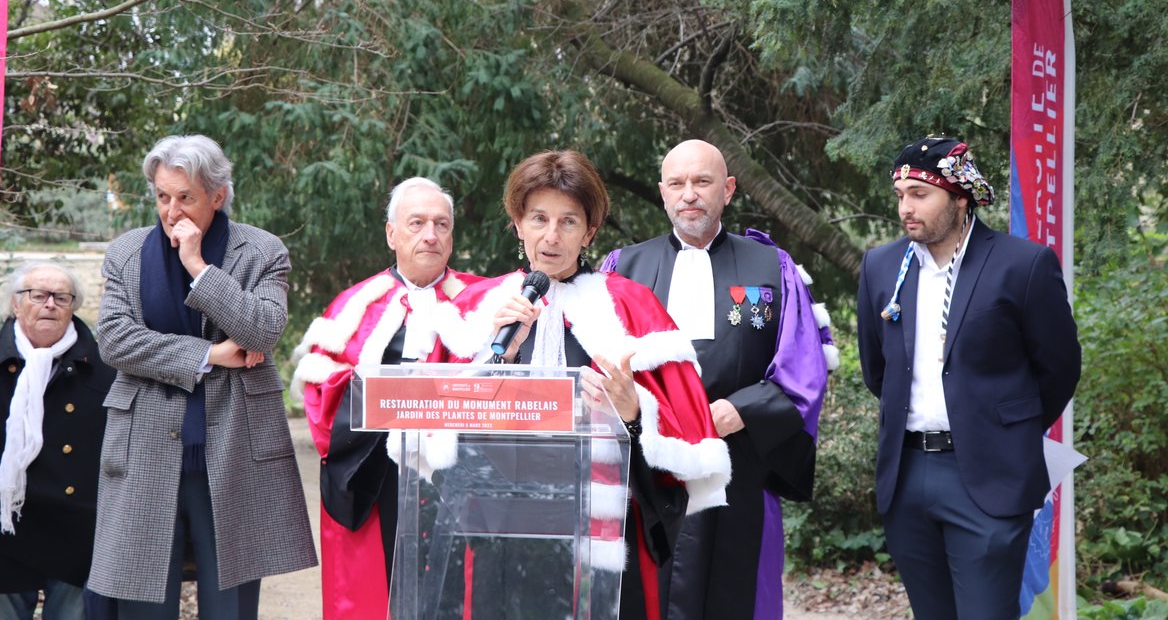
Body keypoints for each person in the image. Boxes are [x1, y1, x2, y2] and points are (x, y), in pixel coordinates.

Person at [428, 149, 732, 620]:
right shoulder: (477, 309)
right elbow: (435, 432)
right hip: (497, 532)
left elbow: (681, 442)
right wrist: (497, 358)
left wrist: (634, 413)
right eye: (539, 219)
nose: (551, 237)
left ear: (589, 232)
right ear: (517, 223)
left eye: (568, 222)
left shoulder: (631, 308)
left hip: (601, 535)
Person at [601, 139, 833, 620]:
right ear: (663, 193)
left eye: (702, 182)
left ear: (727, 190)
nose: (690, 194)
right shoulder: (623, 269)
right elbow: (600, 364)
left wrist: (742, 410)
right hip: (650, 469)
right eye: (678, 184)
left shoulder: (771, 267)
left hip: (740, 462)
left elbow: (802, 366)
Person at [86, 134, 317, 619]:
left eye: (185, 197)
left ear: (217, 195)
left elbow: (262, 330)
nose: (172, 211)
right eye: (162, 196)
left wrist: (198, 266)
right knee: (141, 602)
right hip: (143, 449)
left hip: (235, 453)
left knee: (229, 607)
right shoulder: (126, 253)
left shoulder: (262, 251)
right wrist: (210, 354)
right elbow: (114, 340)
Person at [857, 135, 1081, 620]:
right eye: (900, 196)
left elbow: (1060, 368)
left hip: (989, 477)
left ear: (959, 197)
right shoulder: (880, 266)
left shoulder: (1022, 265)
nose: (905, 209)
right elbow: (878, 370)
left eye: (920, 194)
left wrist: (1004, 429)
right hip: (907, 476)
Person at [291, 176, 482, 620]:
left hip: (458, 482)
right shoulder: (355, 305)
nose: (430, 235)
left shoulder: (482, 302)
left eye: (441, 224)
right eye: (416, 223)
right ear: (392, 234)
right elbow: (321, 405)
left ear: (452, 237)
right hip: (375, 477)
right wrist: (391, 402)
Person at [0, 262, 114, 620]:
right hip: (1, 524)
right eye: (38, 295)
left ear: (73, 307)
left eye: (61, 297)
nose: (50, 304)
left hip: (75, 527)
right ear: (16, 304)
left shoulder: (104, 369)